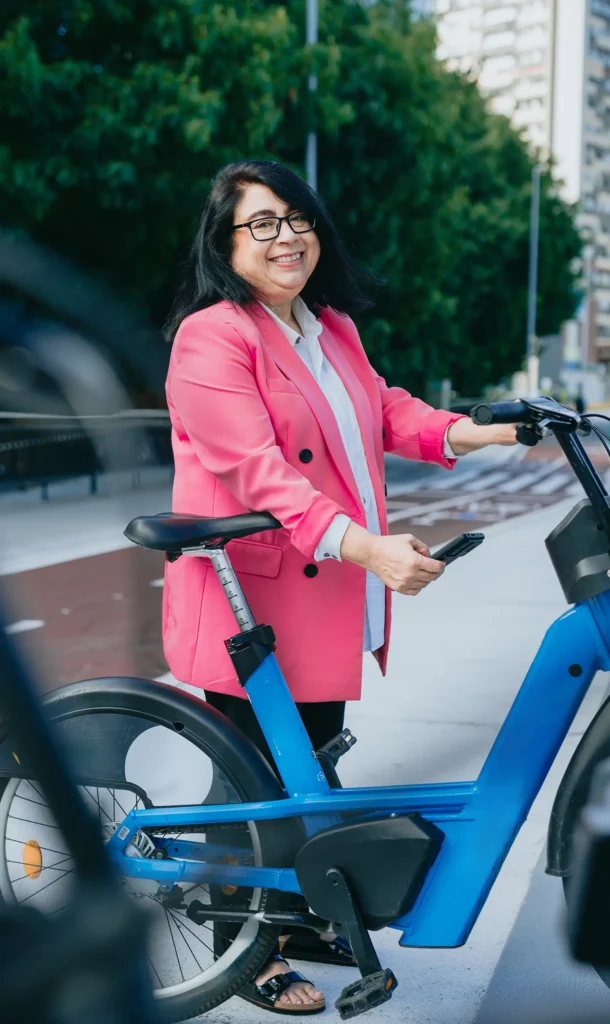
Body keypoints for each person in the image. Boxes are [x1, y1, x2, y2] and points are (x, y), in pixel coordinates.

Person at [163, 160, 517, 1014]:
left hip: (319, 593)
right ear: (225, 243)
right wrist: (367, 547)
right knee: (250, 785)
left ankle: (287, 913)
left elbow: (387, 410)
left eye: (297, 218)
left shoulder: (329, 329)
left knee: (312, 762)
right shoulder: (213, 337)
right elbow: (261, 473)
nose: (287, 237)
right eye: (262, 224)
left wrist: (480, 429)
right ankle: (241, 951)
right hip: (251, 593)